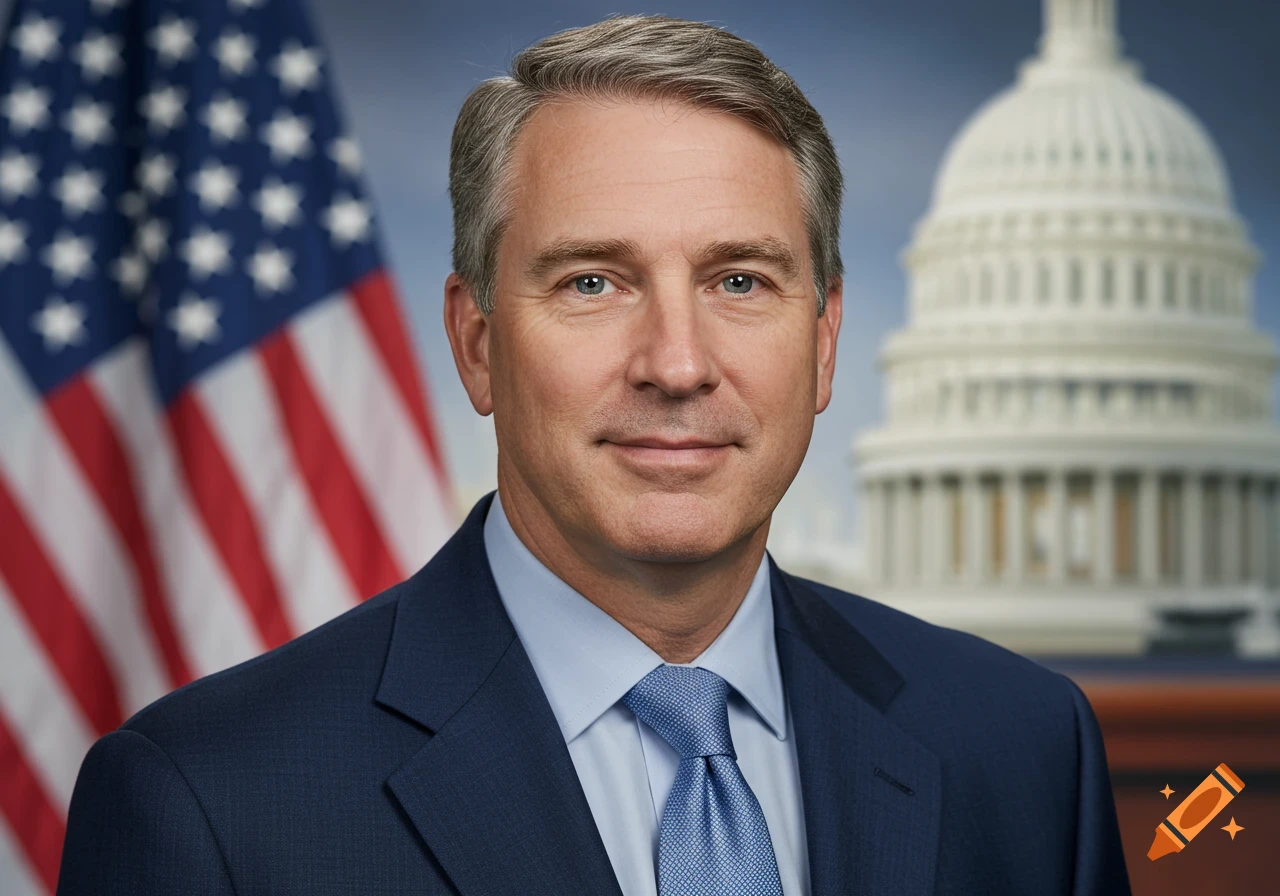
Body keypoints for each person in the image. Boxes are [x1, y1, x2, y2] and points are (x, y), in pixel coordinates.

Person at [57, 14, 1132, 895]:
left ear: (824, 339)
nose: (676, 363)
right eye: (591, 282)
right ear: (477, 344)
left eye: (739, 281)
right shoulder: (208, 802)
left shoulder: (1023, 750)